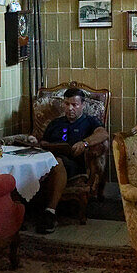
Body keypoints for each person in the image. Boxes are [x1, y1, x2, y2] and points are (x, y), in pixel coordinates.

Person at [36, 87, 108, 234]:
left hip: (73, 164)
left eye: (74, 105)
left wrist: (85, 143)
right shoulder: (55, 123)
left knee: (58, 162)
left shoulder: (89, 121)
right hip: (46, 160)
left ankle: (50, 212)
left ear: (82, 105)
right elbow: (43, 142)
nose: (70, 108)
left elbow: (103, 134)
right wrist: (37, 142)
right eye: (67, 104)